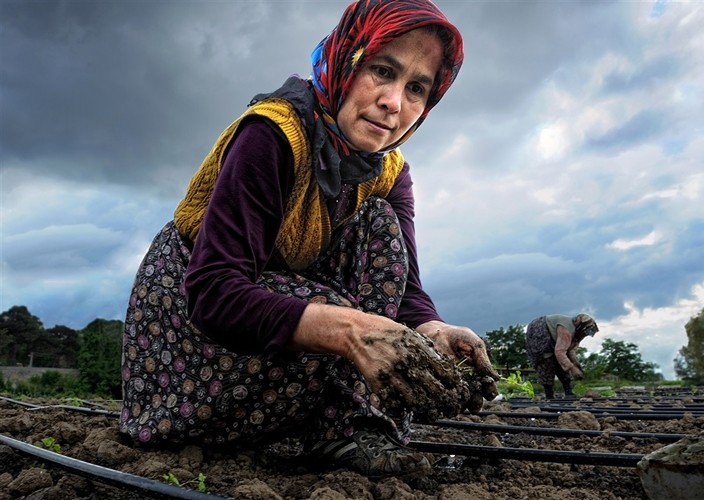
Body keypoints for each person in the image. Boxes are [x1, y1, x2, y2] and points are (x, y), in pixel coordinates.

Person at [120, 0, 499, 478]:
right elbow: (215, 292)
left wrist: (434, 331)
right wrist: (351, 330)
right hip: (189, 333)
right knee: (336, 308)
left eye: (417, 88)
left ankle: (348, 428)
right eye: (383, 70)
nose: (394, 102)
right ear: (347, 60)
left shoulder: (390, 171)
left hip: (282, 313)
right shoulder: (273, 135)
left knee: (379, 223)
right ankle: (331, 423)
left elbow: (405, 293)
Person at [525, 313, 599, 399]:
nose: (585, 334)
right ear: (581, 327)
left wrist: (577, 366)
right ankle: (549, 396)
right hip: (540, 333)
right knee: (547, 362)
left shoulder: (577, 335)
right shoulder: (567, 329)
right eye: (586, 331)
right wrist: (572, 369)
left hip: (555, 343)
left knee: (562, 364)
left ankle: (569, 393)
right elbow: (560, 352)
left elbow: (571, 351)